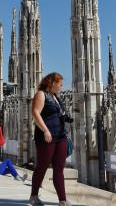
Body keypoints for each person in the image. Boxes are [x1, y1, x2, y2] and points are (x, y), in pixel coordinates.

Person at [29, 72, 70, 206]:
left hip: (60, 136)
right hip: (46, 136)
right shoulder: (41, 94)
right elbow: (35, 112)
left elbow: (57, 113)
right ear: (52, 83)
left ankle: (62, 200)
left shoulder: (56, 97)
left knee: (59, 169)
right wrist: (45, 130)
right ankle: (34, 196)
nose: (61, 87)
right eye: (60, 84)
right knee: (42, 166)